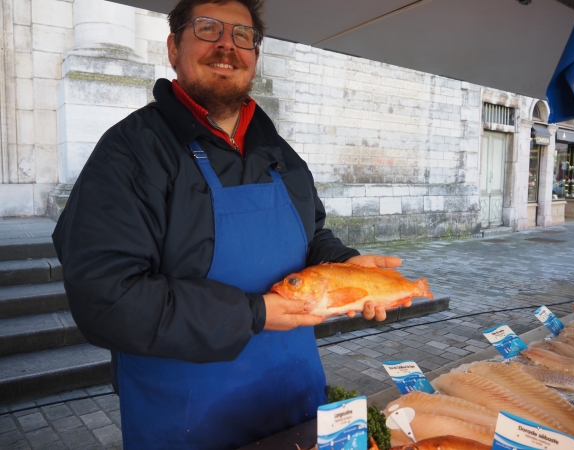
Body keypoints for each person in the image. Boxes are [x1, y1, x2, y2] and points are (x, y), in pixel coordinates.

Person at [52, 0, 401, 448]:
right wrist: (253, 313)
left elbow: (311, 237)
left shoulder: (279, 153)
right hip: (186, 422)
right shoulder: (130, 153)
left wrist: (346, 263)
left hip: (293, 406)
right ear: (173, 47)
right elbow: (105, 297)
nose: (226, 45)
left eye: (243, 36)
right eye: (208, 28)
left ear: (254, 56)